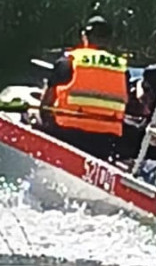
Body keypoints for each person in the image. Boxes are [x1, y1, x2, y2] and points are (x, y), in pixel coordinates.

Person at [40, 14, 129, 160]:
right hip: (104, 142)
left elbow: (46, 104)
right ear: (109, 40)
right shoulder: (122, 68)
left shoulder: (69, 61)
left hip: (67, 134)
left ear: (84, 37)